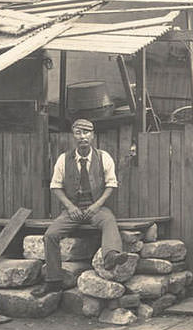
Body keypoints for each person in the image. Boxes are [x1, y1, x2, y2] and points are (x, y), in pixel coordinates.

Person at [31, 118, 124, 296]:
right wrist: (70, 207)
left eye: (87, 132)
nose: (83, 137)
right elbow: (55, 186)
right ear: (73, 136)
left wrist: (97, 206)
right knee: (50, 235)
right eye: (78, 132)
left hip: (95, 207)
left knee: (109, 220)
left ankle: (111, 255)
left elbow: (111, 185)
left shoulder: (104, 157)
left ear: (93, 136)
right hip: (72, 209)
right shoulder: (63, 159)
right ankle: (53, 281)